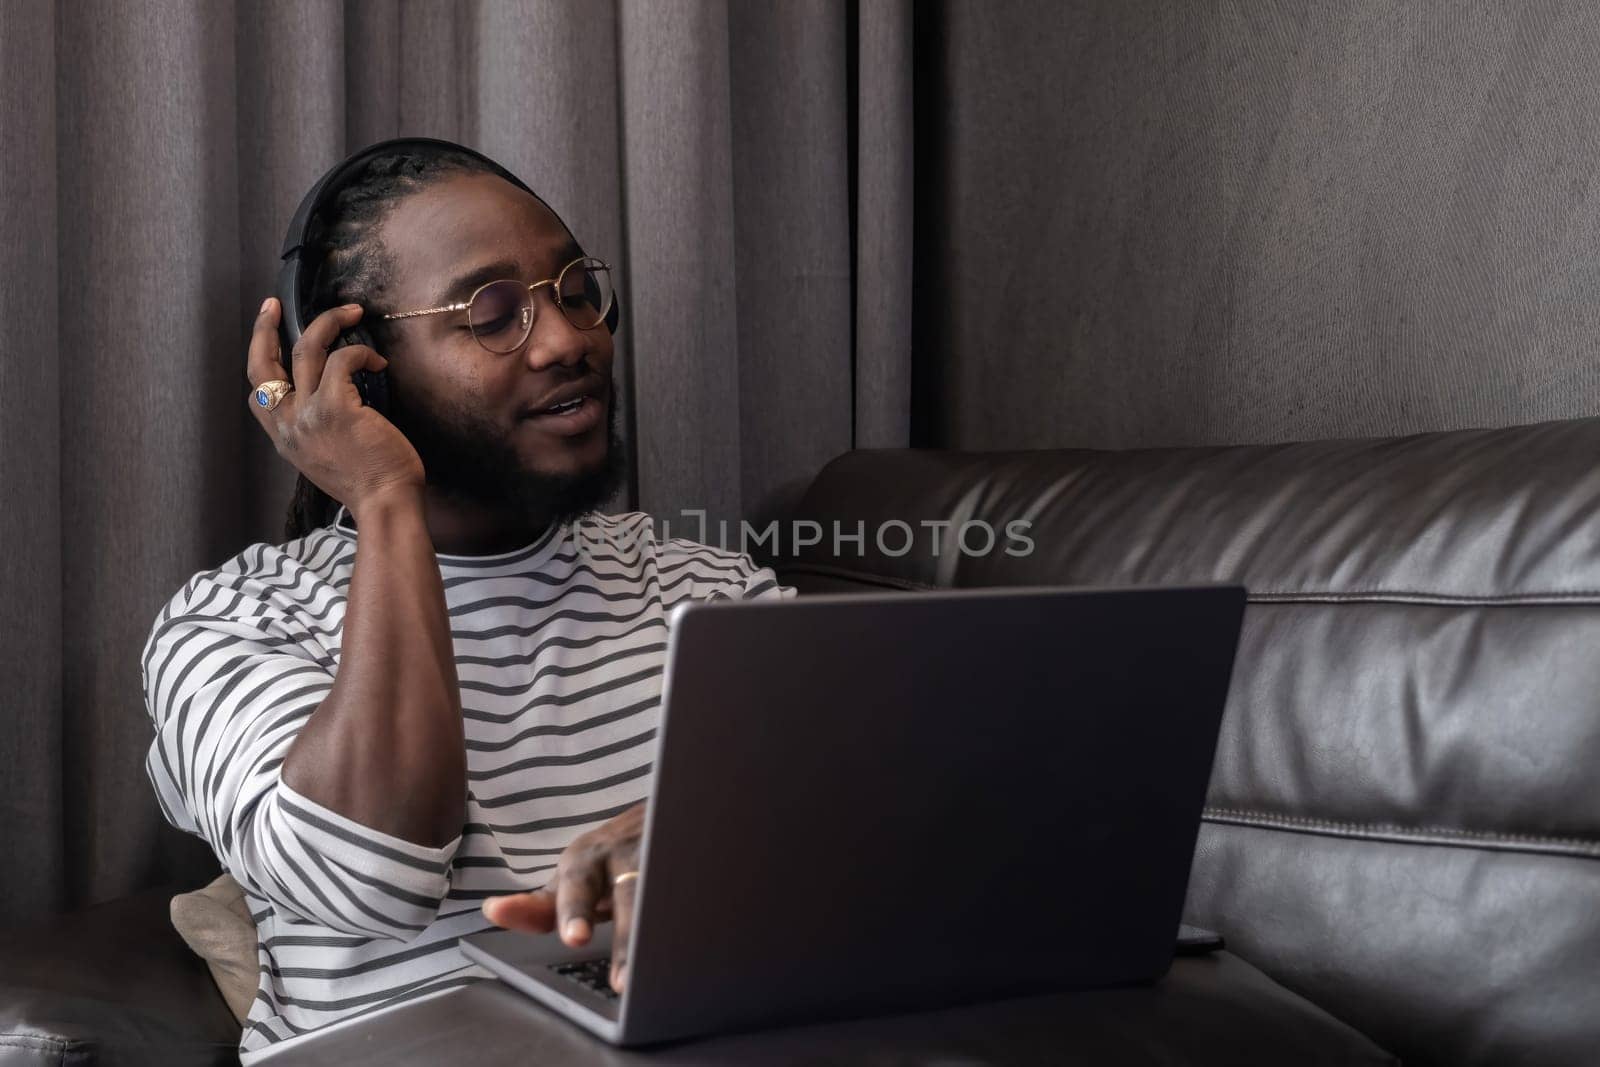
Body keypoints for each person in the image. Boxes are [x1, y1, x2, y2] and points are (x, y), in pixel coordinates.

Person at [140, 144, 792, 1061]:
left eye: (573, 289)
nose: (569, 339)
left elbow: (882, 824)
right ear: (363, 373)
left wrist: (694, 837)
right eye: (492, 313)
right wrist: (382, 496)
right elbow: (370, 876)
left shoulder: (705, 588)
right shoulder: (234, 621)